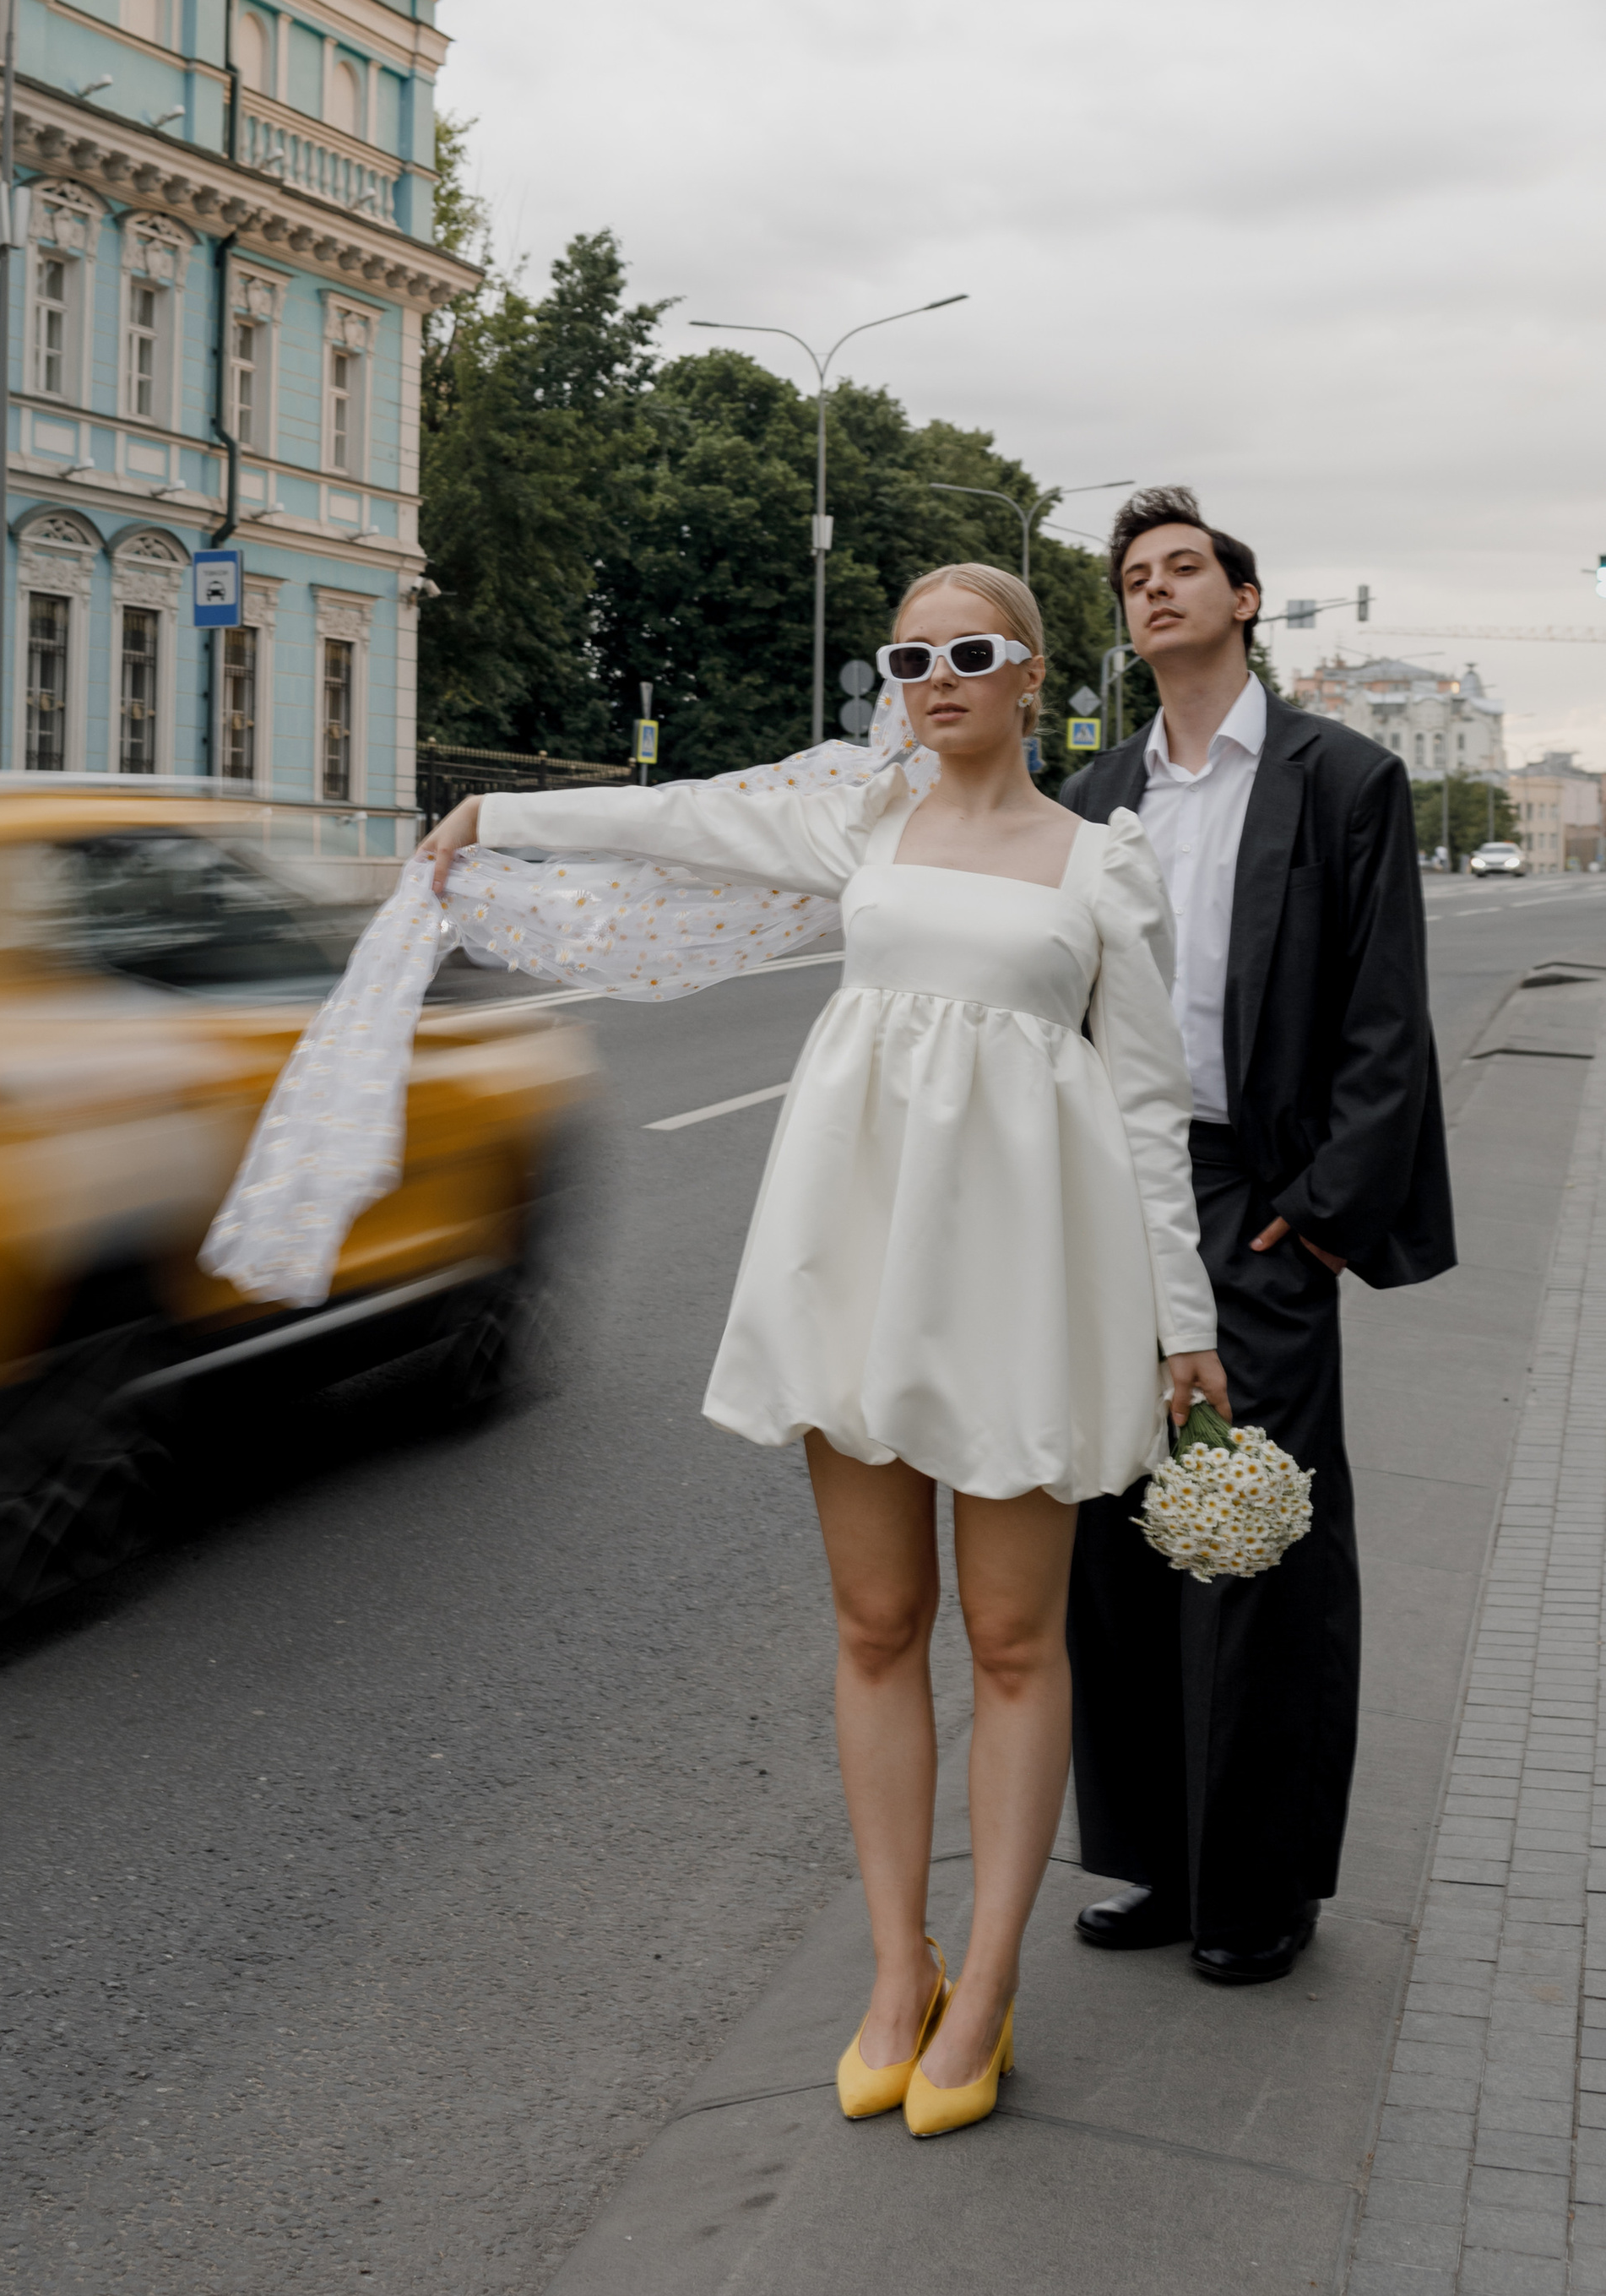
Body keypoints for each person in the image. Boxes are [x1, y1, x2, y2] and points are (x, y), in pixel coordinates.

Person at [419, 562, 1224, 2136]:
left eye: (970, 651)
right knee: (873, 1621)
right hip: (860, 1257)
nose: (935, 676)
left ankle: (985, 1988)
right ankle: (893, 1968)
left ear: (1036, 677)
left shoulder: (1103, 867)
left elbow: (1144, 1112)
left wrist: (1181, 1330)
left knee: (1011, 1642)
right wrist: (494, 816)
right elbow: (679, 816)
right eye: (908, 653)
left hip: (1023, 1282)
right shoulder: (857, 818)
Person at [1060, 488, 1454, 1986]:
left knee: (1261, 1534)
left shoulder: (1341, 778)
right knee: (1122, 1531)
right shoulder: (1097, 793)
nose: (1155, 592)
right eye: (1134, 580)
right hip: (1120, 1182)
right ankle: (1157, 1862)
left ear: (1244, 599)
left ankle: (1264, 1881)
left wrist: (1323, 1219)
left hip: (1263, 1196)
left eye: (1182, 571)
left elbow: (1382, 1015)